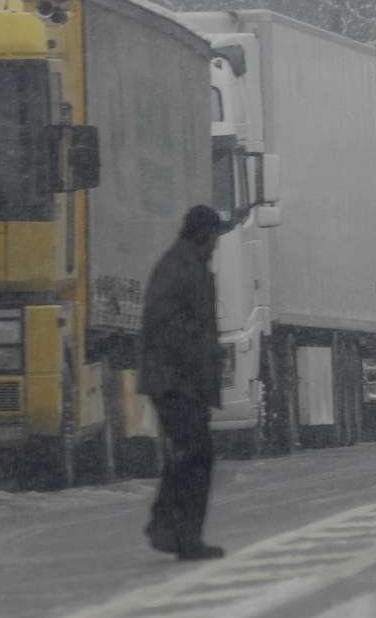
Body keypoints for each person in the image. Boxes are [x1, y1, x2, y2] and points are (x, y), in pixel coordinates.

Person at [138, 204, 225, 561]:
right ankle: (184, 537)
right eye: (216, 237)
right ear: (204, 235)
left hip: (182, 380)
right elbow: (168, 328)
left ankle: (164, 525)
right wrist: (189, 372)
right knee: (196, 455)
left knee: (187, 455)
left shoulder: (189, 266)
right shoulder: (180, 268)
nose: (217, 244)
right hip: (176, 382)